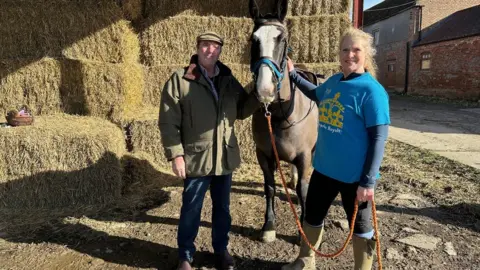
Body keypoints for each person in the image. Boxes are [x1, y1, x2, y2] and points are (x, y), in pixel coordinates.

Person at [282, 27, 390, 270]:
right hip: (323, 170)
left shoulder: (372, 92)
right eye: (345, 49)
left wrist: (368, 182)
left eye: (356, 50)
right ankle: (305, 261)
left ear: (367, 54)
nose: (349, 54)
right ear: (339, 53)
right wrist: (293, 74)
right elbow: (315, 93)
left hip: (355, 179)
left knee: (361, 229)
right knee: (312, 216)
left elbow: (378, 139)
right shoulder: (333, 82)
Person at [158, 31, 260, 270]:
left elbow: (243, 110)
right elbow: (168, 120)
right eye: (205, 46)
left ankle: (221, 250)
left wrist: (260, 92)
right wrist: (176, 154)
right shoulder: (181, 80)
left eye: (215, 47)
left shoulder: (227, 79)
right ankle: (185, 255)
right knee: (191, 208)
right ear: (197, 48)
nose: (210, 50)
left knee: (222, 208)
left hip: (223, 158)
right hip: (196, 157)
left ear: (220, 51)